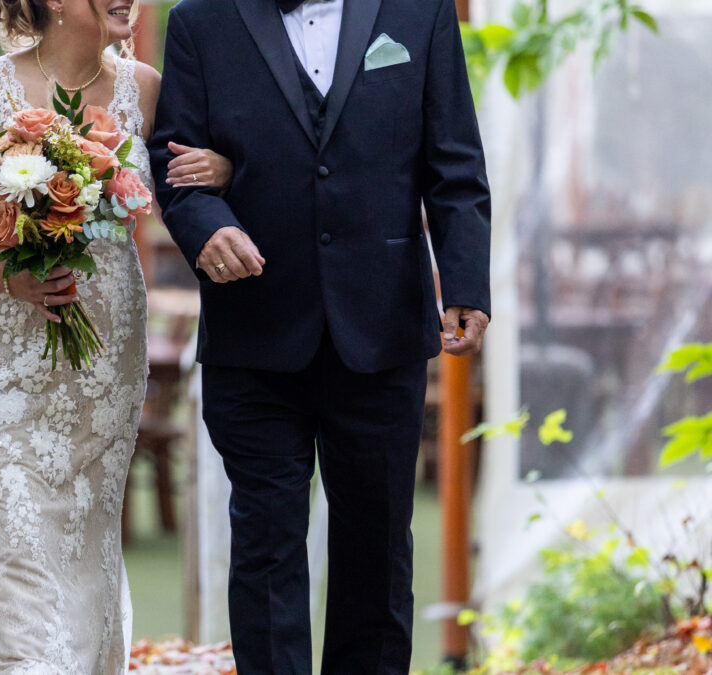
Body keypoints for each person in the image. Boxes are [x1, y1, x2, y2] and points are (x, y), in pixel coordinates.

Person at [148, 0, 491, 672]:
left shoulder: (420, 14)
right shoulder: (200, 21)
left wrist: (466, 283)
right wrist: (207, 226)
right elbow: (175, 164)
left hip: (381, 326)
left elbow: (454, 162)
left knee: (377, 549)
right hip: (254, 332)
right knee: (267, 549)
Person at [0, 2, 232, 672]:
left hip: (104, 344)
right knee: (17, 527)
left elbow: (193, 173)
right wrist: (12, 277)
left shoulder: (149, 89)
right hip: (2, 345)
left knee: (85, 531)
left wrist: (221, 168)